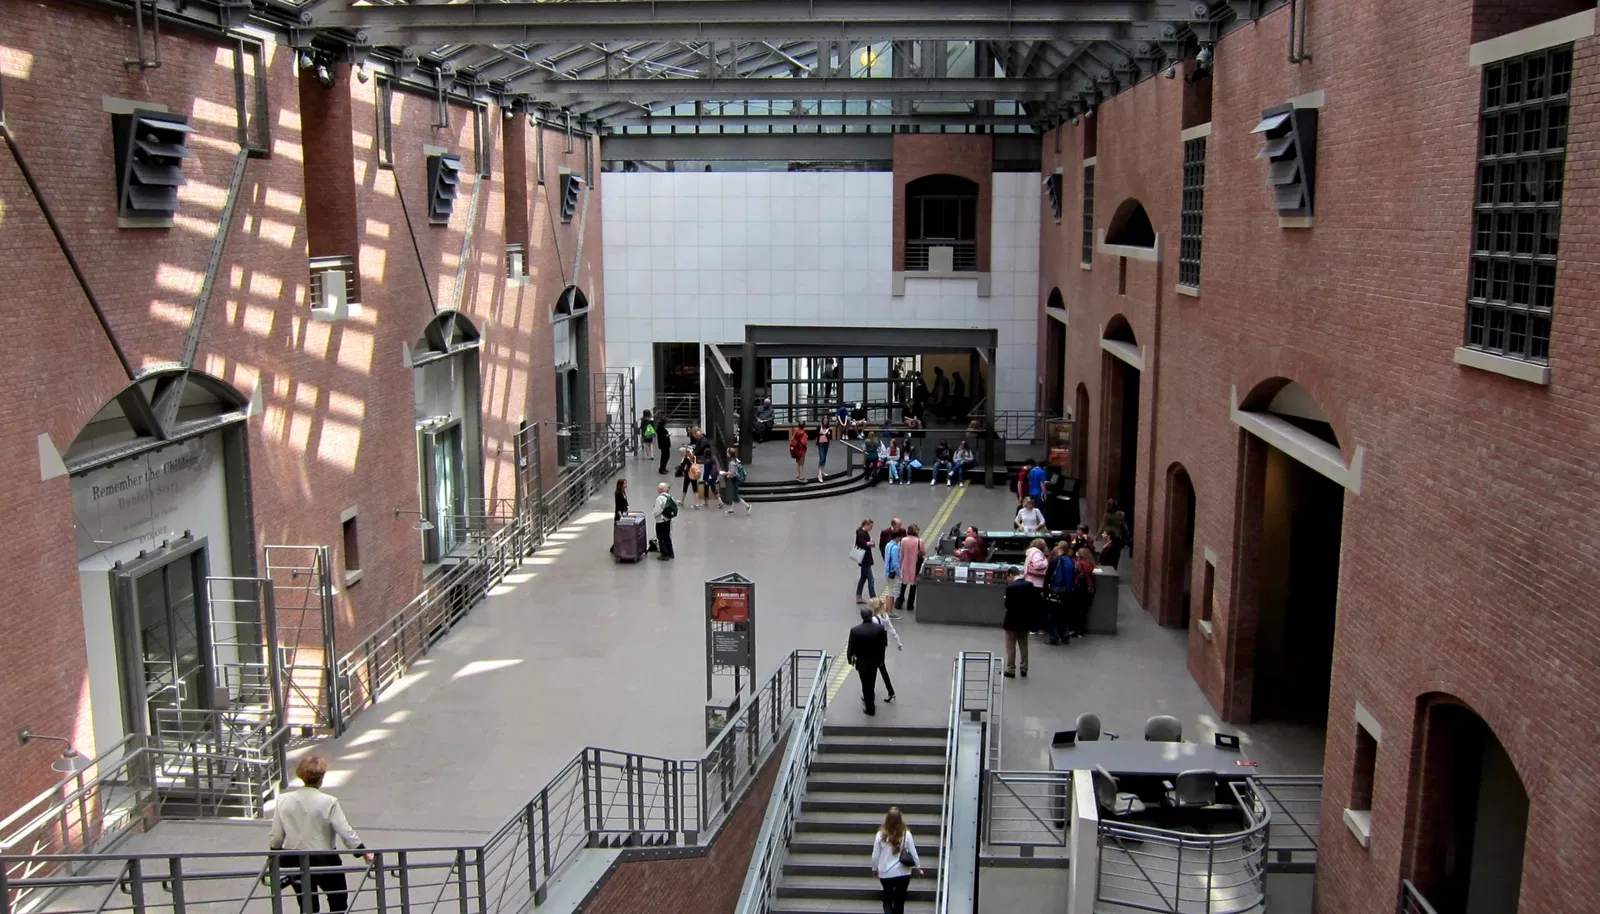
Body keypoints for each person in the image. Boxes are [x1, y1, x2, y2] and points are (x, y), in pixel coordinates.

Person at [269, 755, 370, 914]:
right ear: (321, 777)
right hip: (324, 858)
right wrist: (363, 852)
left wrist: (274, 854)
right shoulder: (329, 802)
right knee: (338, 901)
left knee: (307, 905)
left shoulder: (283, 800)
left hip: (294, 859)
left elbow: (276, 836)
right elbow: (345, 831)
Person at [871, 807, 921, 914]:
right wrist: (918, 867)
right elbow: (914, 853)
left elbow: (875, 856)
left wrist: (874, 869)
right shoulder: (906, 834)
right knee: (900, 902)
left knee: (888, 897)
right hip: (903, 873)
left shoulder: (880, 835)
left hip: (885, 873)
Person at [847, 606, 889, 716]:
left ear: (862, 616)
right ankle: (870, 697)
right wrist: (881, 659)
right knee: (872, 680)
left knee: (865, 683)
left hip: (862, 661)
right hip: (875, 660)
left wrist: (850, 659)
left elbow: (851, 647)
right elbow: (884, 644)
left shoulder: (855, 630)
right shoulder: (880, 629)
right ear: (871, 615)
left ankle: (870, 707)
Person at [866, 596, 901, 703]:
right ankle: (890, 691)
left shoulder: (873, 619)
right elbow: (891, 629)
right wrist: (898, 642)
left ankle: (870, 693)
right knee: (882, 668)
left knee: (872, 670)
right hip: (882, 645)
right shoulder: (885, 616)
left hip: (874, 646)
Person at [1002, 570, 1035, 678]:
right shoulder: (1030, 585)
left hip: (1011, 620)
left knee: (1011, 645)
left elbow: (1007, 605)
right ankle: (1024, 668)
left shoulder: (1010, 587)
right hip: (1025, 619)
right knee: (1023, 644)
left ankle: (1011, 669)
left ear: (1011, 575)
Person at [1043, 541, 1074, 645]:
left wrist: (1045, 591)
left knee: (1052, 615)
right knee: (1063, 615)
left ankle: (1054, 638)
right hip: (1067, 592)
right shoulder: (1070, 560)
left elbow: (1048, 577)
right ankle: (1065, 636)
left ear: (1059, 548)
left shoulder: (1055, 560)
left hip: (1055, 590)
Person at [898, 525, 925, 613]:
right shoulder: (919, 541)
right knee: (913, 585)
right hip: (915, 565)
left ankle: (899, 602)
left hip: (905, 564)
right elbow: (923, 552)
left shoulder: (903, 540)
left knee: (903, 584)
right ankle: (910, 605)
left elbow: (901, 554)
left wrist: (900, 564)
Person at [1100, 498, 1129, 567]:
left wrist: (1100, 534)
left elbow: (1103, 525)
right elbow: (1124, 526)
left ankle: (1109, 567)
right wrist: (1127, 535)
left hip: (1111, 536)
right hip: (1117, 537)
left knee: (1109, 553)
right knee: (1116, 555)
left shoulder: (1107, 514)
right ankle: (1114, 568)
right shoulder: (1121, 514)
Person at [652, 482, 677, 560]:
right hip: (667, 519)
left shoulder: (659, 498)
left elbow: (657, 511)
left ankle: (664, 554)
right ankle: (670, 552)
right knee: (667, 536)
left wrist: (654, 514)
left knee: (661, 537)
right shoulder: (669, 497)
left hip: (661, 520)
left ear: (661, 489)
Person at [723, 447, 751, 515]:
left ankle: (747, 506)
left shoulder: (731, 463)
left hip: (735, 480)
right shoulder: (736, 460)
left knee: (736, 496)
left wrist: (725, 473)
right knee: (734, 494)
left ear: (729, 454)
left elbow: (733, 473)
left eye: (727, 452)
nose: (726, 453)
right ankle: (732, 509)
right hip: (737, 479)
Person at [854, 519, 877, 601]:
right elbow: (863, 544)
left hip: (864, 559)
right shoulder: (862, 533)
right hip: (865, 559)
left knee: (863, 578)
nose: (871, 528)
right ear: (866, 525)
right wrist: (871, 543)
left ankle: (858, 595)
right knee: (871, 579)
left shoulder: (861, 532)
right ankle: (873, 597)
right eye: (870, 526)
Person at [816, 418, 833, 482]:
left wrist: (829, 434)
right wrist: (819, 434)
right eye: (824, 421)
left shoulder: (828, 428)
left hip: (826, 443)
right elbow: (816, 434)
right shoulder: (819, 426)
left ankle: (822, 471)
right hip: (821, 444)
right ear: (822, 421)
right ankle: (819, 474)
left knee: (824, 458)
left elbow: (829, 437)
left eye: (827, 421)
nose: (825, 422)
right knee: (822, 458)